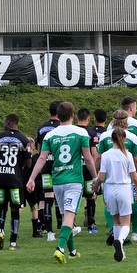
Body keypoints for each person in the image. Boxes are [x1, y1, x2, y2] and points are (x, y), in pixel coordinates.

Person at [26, 102, 97, 263]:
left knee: (66, 216)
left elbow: (42, 158)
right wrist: (95, 178)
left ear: (58, 116)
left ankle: (72, 251)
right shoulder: (80, 133)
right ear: (73, 116)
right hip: (74, 180)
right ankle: (60, 248)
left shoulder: (50, 135)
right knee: (69, 215)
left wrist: (31, 178)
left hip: (57, 180)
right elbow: (87, 157)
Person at [91, 128, 137, 261]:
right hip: (124, 188)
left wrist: (95, 187)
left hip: (110, 189)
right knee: (126, 222)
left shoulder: (106, 154)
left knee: (116, 221)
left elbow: (101, 177)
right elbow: (135, 176)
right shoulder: (128, 154)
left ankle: (121, 250)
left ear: (111, 139)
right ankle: (120, 240)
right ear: (124, 139)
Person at [97, 109, 137, 245]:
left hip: (108, 179)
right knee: (130, 207)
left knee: (110, 208)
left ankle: (114, 231)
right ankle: (132, 233)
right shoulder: (132, 137)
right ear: (126, 121)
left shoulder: (105, 136)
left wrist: (96, 176)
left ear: (113, 120)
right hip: (126, 180)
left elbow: (99, 157)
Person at [0, 114, 31, 251]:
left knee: (2, 206)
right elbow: (29, 163)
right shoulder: (24, 140)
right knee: (15, 208)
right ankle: (12, 243)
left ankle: (1, 231)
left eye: (4, 121)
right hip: (15, 179)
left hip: (0, 178)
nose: (3, 123)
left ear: (9, 122)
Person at [34, 101, 62, 241]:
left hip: (45, 167)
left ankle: (49, 231)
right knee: (61, 198)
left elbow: (40, 152)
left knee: (48, 198)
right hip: (60, 167)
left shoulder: (41, 128)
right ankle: (65, 225)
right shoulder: (62, 127)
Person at [76, 108, 100, 233]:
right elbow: (94, 154)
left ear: (76, 118)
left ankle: (72, 223)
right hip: (87, 169)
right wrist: (94, 171)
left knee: (74, 196)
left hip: (74, 169)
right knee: (90, 196)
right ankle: (91, 225)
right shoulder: (91, 133)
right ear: (89, 118)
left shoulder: (72, 132)